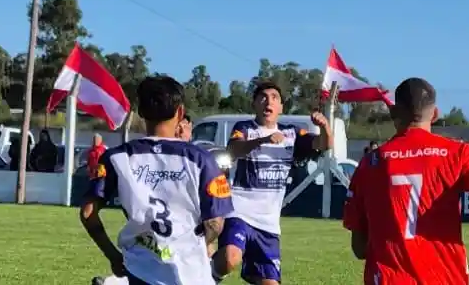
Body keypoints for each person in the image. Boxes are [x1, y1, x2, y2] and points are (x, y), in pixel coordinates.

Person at [343, 77, 469, 285]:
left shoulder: (370, 163)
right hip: (446, 278)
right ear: (435, 114)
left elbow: (360, 248)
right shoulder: (460, 153)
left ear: (394, 113)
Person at [80, 75, 233, 285]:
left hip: (139, 267)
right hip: (188, 272)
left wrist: (113, 256)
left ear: (140, 112)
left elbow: (88, 212)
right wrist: (198, 245)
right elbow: (215, 223)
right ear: (180, 112)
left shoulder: (117, 157)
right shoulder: (202, 160)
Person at [212, 81, 332, 285]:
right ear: (254, 104)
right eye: (263, 97)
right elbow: (233, 149)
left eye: (274, 98)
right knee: (230, 258)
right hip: (239, 211)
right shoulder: (244, 128)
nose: (268, 101)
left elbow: (324, 145)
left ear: (281, 107)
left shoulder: (292, 134)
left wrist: (325, 127)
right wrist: (263, 140)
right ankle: (205, 274)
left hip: (268, 223)